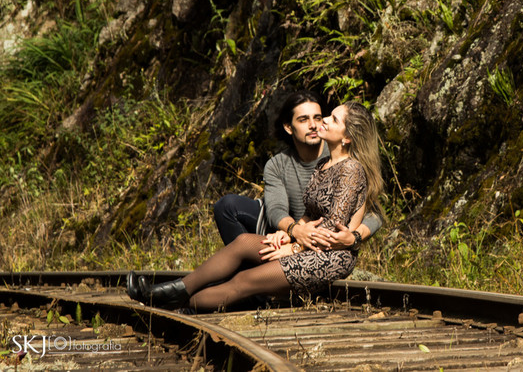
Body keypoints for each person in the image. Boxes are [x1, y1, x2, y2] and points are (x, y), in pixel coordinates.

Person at [127, 102, 386, 311]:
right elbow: (311, 214)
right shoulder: (324, 164)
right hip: (309, 245)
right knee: (241, 244)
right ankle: (173, 291)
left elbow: (331, 229)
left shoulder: (351, 170)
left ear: (348, 137)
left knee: (244, 281)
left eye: (333, 119)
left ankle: (170, 303)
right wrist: (289, 232)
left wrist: (292, 248)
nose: (324, 121)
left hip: (328, 257)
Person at [213, 90, 382, 251]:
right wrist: (295, 231)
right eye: (303, 120)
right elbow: (276, 209)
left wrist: (354, 238)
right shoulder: (277, 164)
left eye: (317, 117)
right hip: (289, 231)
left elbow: (373, 212)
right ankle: (250, 272)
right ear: (288, 127)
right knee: (227, 206)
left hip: (323, 241)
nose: (313, 125)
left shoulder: (340, 156)